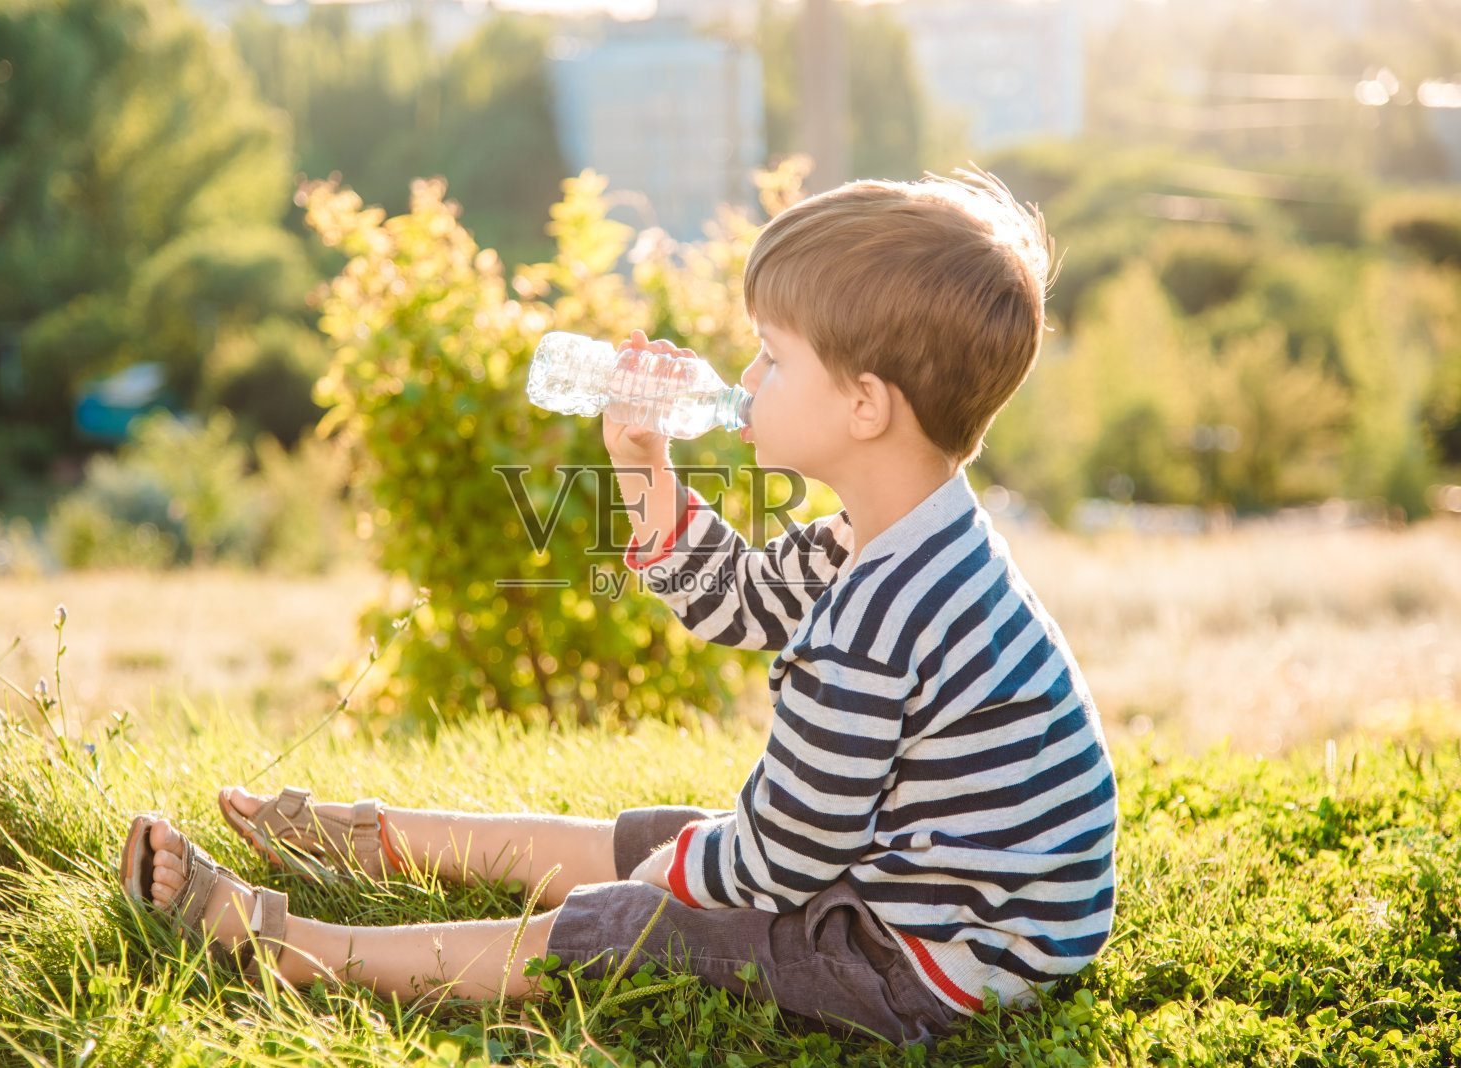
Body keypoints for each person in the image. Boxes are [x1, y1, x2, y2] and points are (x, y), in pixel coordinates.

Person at [119, 169, 1117, 1047]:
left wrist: (654, 891)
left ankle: (286, 944)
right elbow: (732, 600)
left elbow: (784, 856)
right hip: (962, 905)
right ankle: (379, 840)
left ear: (864, 405)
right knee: (665, 838)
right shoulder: (897, 536)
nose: (746, 378)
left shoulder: (879, 613)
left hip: (933, 961)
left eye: (772, 355)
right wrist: (645, 464)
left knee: (628, 922)